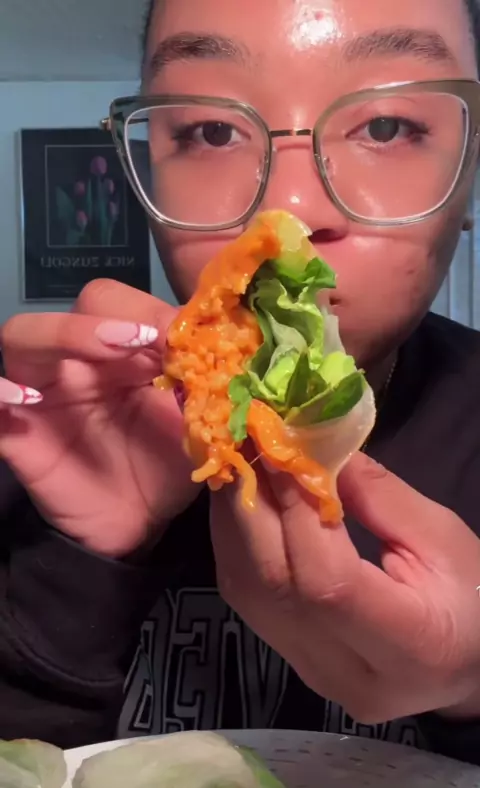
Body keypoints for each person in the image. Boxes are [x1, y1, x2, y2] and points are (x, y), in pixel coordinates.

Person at [1, 0, 480, 764]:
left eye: (387, 126)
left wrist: (471, 693)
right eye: (211, 132)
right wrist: (71, 568)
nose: (288, 211)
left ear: (469, 172)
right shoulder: (36, 443)